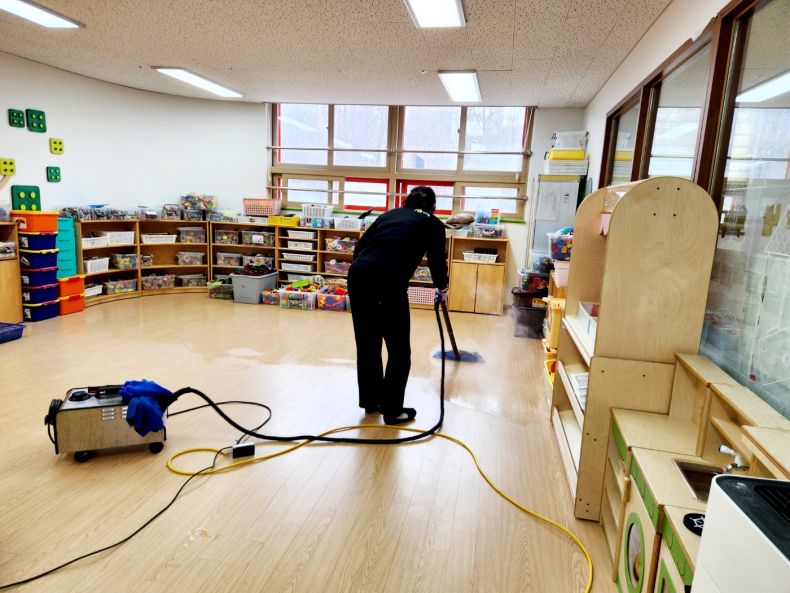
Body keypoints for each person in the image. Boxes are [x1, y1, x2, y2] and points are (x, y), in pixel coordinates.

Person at [348, 186, 449, 425]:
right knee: (399, 350)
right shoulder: (433, 224)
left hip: (359, 277)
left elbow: (359, 249)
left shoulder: (389, 215)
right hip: (389, 283)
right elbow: (437, 260)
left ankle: (371, 402)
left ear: (405, 202)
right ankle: (392, 410)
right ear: (433, 208)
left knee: (368, 343)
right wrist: (442, 288)